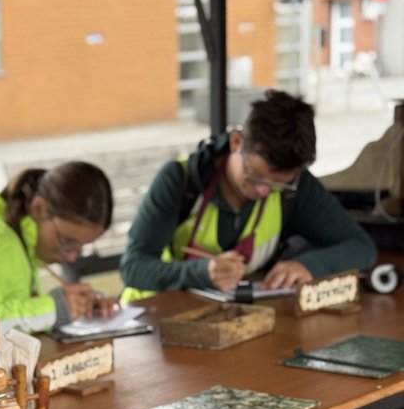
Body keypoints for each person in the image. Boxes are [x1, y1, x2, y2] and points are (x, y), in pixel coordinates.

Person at [119, 89, 377, 302]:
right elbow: (133, 267)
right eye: (255, 177)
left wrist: (310, 265)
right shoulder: (180, 180)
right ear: (236, 143)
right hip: (156, 321)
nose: (264, 192)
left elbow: (361, 247)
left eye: (279, 186)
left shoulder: (298, 187)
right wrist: (200, 272)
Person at [0, 161, 117, 335]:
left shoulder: (23, 244)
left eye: (80, 248)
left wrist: (80, 306)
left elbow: (4, 310)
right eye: (66, 241)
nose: (71, 257)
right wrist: (54, 309)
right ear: (39, 208)